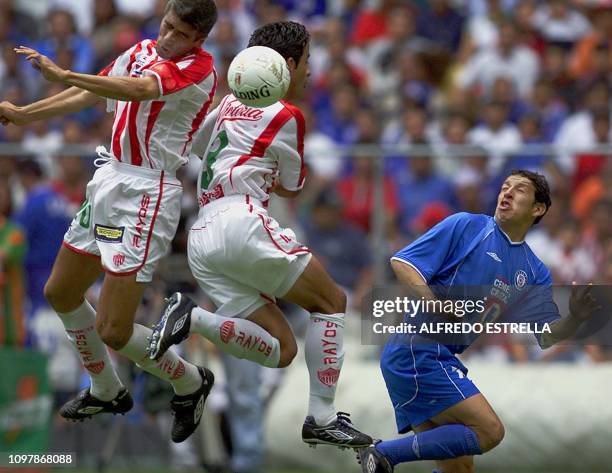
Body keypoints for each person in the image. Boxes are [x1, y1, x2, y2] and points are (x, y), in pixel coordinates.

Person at [0, 0, 218, 443]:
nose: (168, 36)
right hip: (109, 177)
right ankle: (105, 387)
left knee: (114, 330)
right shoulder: (140, 50)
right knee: (60, 291)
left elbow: (137, 91)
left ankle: (191, 381)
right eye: (167, 24)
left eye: (180, 33)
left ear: (199, 39)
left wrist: (63, 73)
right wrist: (25, 115)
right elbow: (93, 90)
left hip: (148, 193)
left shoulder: (200, 69)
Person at [147, 21, 372, 449]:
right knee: (333, 302)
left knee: (281, 349)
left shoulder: (230, 101)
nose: (310, 70)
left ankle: (192, 317)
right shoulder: (287, 114)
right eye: (306, 60)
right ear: (285, 65)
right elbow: (292, 185)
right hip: (242, 220)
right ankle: (322, 416)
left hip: (204, 236)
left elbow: (196, 148)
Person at [357, 170, 601, 473]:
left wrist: (575, 319)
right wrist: (436, 304)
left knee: (459, 470)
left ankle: (384, 454)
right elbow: (403, 263)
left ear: (538, 208)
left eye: (519, 190)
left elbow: (547, 336)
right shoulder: (467, 226)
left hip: (439, 357)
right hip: (417, 350)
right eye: (504, 187)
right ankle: (383, 453)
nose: (507, 193)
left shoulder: (534, 270)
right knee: (489, 431)